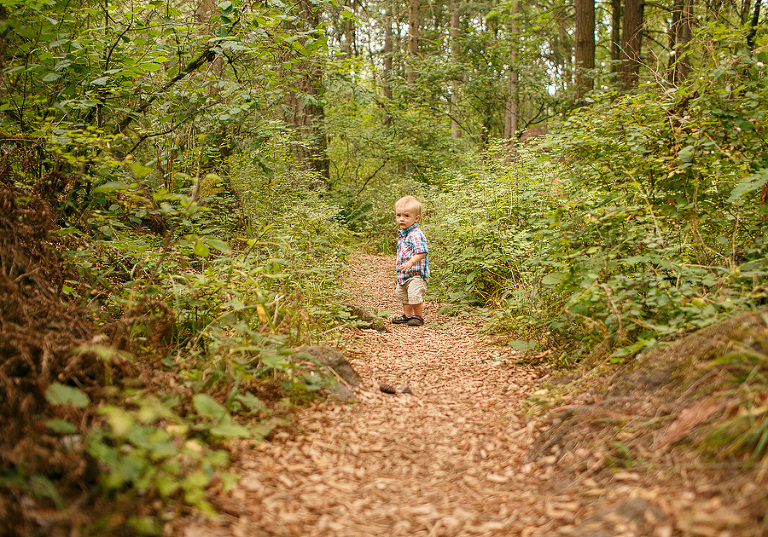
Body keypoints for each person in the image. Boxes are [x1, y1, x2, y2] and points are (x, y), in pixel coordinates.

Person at [391, 195, 430, 326]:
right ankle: (407, 316)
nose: (401, 219)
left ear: (416, 218)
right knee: (403, 295)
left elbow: (422, 251)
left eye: (406, 216)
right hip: (404, 273)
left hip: (416, 274)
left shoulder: (416, 234)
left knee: (414, 294)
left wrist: (411, 262)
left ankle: (418, 316)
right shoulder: (403, 234)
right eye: (398, 215)